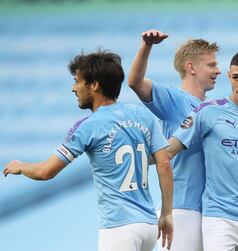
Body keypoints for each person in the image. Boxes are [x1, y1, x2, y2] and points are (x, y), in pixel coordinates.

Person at [3, 50, 174, 251]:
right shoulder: (142, 115)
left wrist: (21, 166)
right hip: (148, 225)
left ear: (94, 85)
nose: (74, 88)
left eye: (77, 81)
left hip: (118, 227)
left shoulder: (88, 126)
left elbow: (46, 172)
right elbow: (164, 164)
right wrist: (166, 213)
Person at [166, 50, 238, 251]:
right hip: (218, 218)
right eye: (236, 77)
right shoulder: (208, 111)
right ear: (229, 76)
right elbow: (168, 150)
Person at [128, 29, 220, 251]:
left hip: (212, 212)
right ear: (191, 67)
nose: (218, 70)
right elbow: (135, 82)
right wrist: (146, 46)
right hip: (182, 209)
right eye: (211, 65)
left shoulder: (214, 109)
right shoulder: (174, 99)